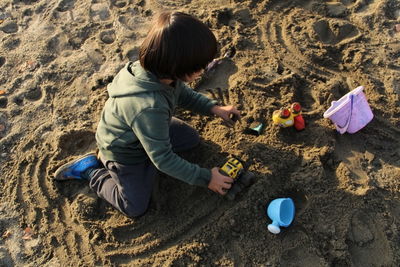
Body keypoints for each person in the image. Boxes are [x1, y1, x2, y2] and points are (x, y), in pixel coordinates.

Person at [54, 11, 241, 217]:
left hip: (143, 128)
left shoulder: (156, 72)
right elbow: (164, 160)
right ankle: (91, 170)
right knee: (134, 207)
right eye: (199, 67)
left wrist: (213, 108)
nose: (204, 70)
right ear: (177, 67)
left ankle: (147, 148)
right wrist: (207, 178)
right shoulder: (149, 108)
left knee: (190, 139)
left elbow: (183, 94)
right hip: (124, 151)